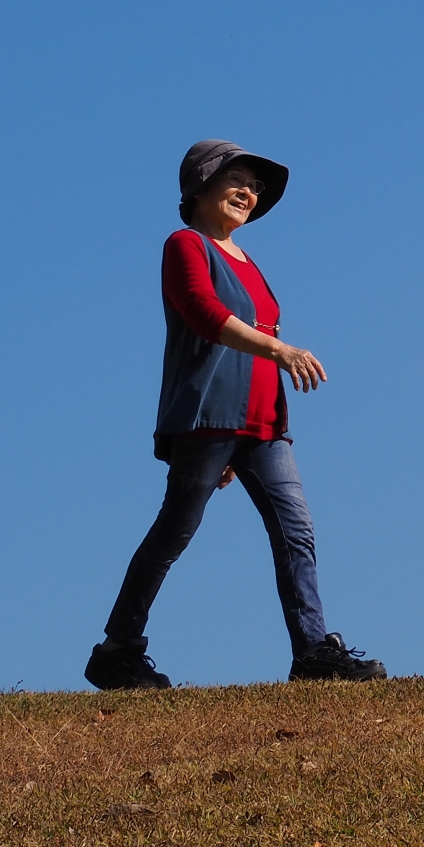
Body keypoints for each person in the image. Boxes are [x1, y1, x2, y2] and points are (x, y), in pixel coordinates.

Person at [85, 140, 385, 690]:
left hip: (265, 425)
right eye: (237, 180)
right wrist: (281, 350)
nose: (250, 192)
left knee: (297, 529)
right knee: (175, 532)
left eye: (257, 187)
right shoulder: (185, 246)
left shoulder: (252, 264)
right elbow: (205, 314)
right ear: (199, 187)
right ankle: (118, 650)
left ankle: (313, 652)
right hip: (208, 419)